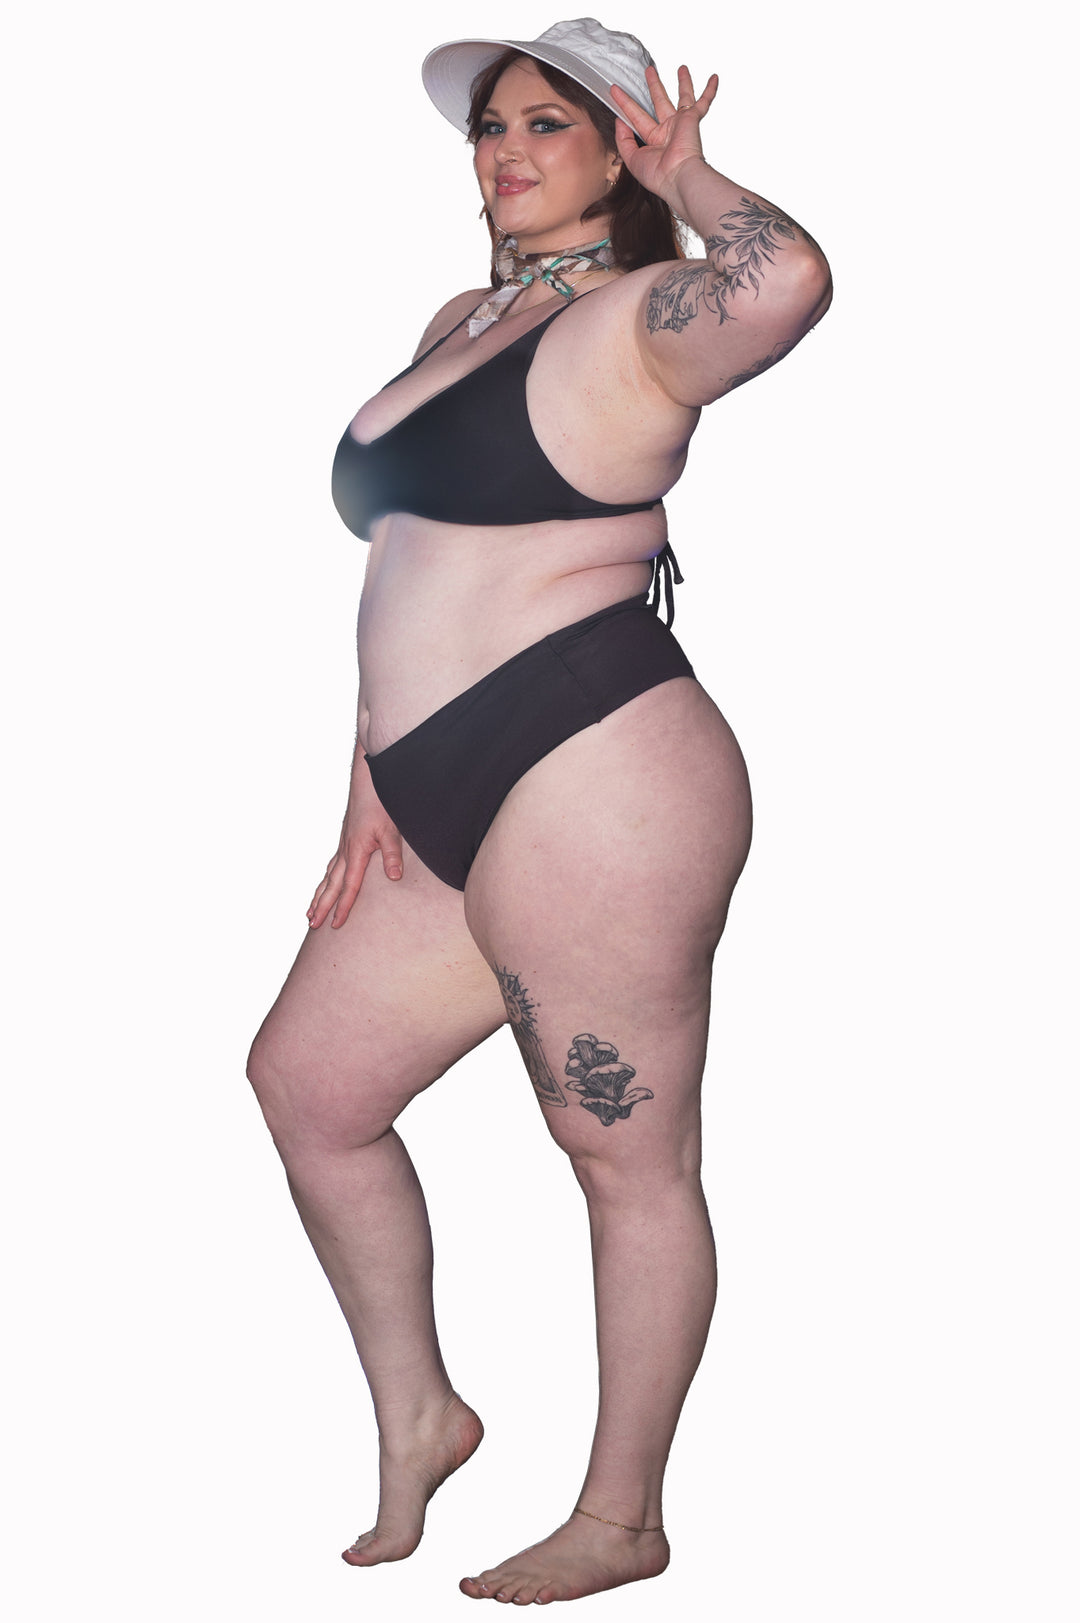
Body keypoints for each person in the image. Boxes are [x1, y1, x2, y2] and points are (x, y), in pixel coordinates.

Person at [247, 16, 831, 1606]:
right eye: (489, 127)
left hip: (595, 760)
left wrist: (695, 178)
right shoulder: (461, 320)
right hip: (426, 785)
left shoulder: (645, 318)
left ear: (620, 150)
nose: (504, 149)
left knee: (621, 1154)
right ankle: (423, 1416)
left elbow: (786, 280)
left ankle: (622, 1518)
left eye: (545, 125)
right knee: (308, 1088)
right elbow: (405, 557)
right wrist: (367, 776)